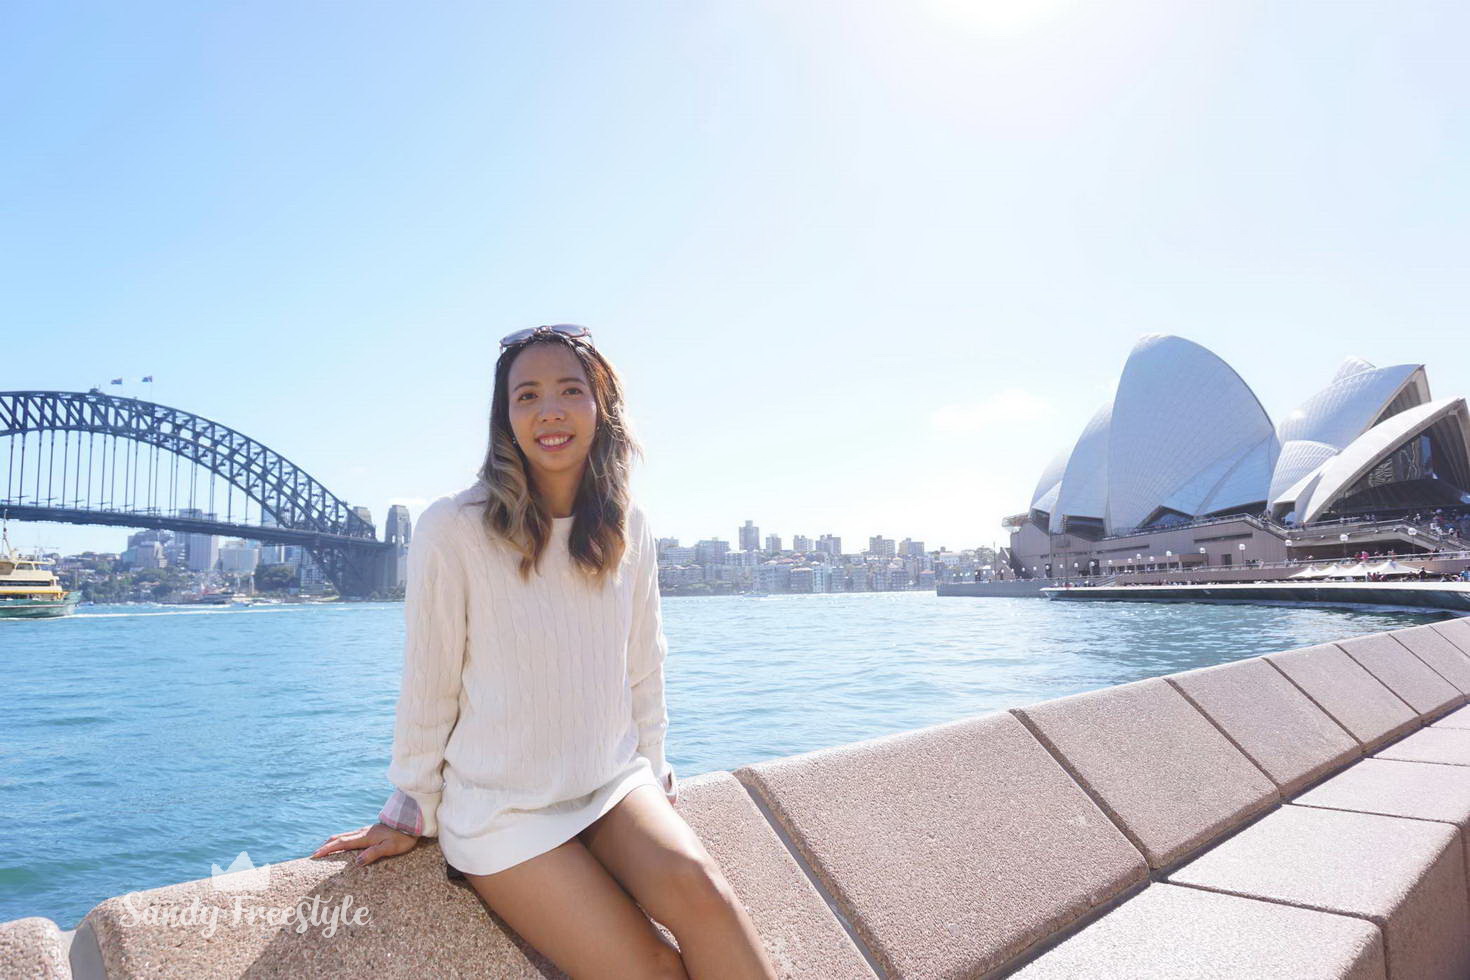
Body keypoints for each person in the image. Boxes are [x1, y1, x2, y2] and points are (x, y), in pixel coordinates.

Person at [311, 325, 777, 979]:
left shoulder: (628, 526)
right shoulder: (452, 529)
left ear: (601, 407)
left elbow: (644, 663)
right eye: (526, 395)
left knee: (709, 896)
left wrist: (657, 769)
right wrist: (410, 806)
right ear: (505, 419)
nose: (549, 410)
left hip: (611, 784)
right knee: (653, 971)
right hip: (504, 810)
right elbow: (429, 680)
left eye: (569, 391)